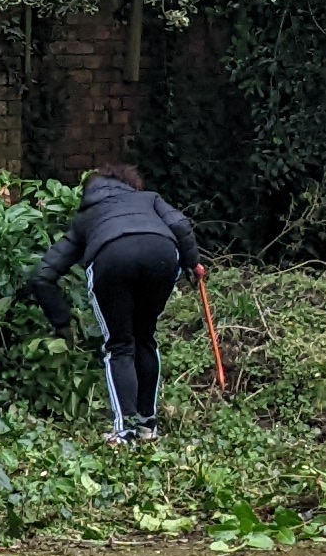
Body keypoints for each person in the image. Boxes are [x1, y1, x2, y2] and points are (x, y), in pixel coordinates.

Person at [25, 163, 204, 439]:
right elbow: (180, 224)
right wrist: (193, 264)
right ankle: (147, 424)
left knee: (120, 345)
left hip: (112, 259)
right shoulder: (150, 199)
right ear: (132, 185)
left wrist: (62, 322)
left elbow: (43, 275)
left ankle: (125, 431)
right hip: (162, 254)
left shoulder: (87, 216)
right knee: (145, 336)